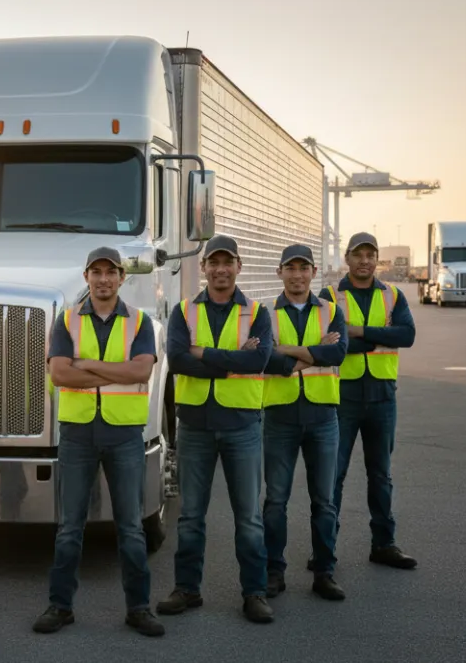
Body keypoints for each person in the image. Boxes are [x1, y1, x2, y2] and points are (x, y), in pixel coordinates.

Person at [34, 247, 162, 637]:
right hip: (77, 435)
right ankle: (60, 606)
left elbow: (141, 369)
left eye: (111, 272)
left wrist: (85, 364)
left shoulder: (140, 322)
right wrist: (115, 374)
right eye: (96, 272)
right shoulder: (66, 320)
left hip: (124, 436)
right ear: (86, 277)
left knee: (131, 528)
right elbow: (60, 375)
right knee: (70, 526)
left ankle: (139, 608)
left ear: (123, 278)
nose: (104, 279)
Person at [158, 235, 275, 624]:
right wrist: (231, 362)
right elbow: (176, 359)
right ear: (204, 267)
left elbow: (258, 360)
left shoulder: (257, 312)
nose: (221, 269)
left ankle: (254, 593)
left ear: (238, 266)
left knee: (249, 517)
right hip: (195, 426)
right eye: (214, 262)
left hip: (242, 426)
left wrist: (202, 353)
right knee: (191, 515)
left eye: (228, 262)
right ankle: (187, 589)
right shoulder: (183, 311)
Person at [322, 232, 418, 569]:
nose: (364, 261)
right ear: (346, 259)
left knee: (381, 474)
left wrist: (359, 332)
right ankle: (324, 547)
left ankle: (384, 543)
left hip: (381, 397)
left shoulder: (392, 295)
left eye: (370, 255)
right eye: (358, 255)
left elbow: (406, 335)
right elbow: (329, 343)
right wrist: (377, 336)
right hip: (342, 398)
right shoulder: (329, 296)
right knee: (333, 475)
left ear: (377, 260)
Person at [261, 244, 349, 602]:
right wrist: (312, 351)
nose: (297, 275)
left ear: (314, 272)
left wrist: (287, 351)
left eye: (303, 268)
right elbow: (265, 359)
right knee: (275, 501)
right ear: (280, 272)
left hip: (323, 417)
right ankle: (273, 572)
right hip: (280, 416)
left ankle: (324, 572)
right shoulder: (265, 313)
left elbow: (338, 352)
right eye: (290, 268)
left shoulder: (331, 311)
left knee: (324, 501)